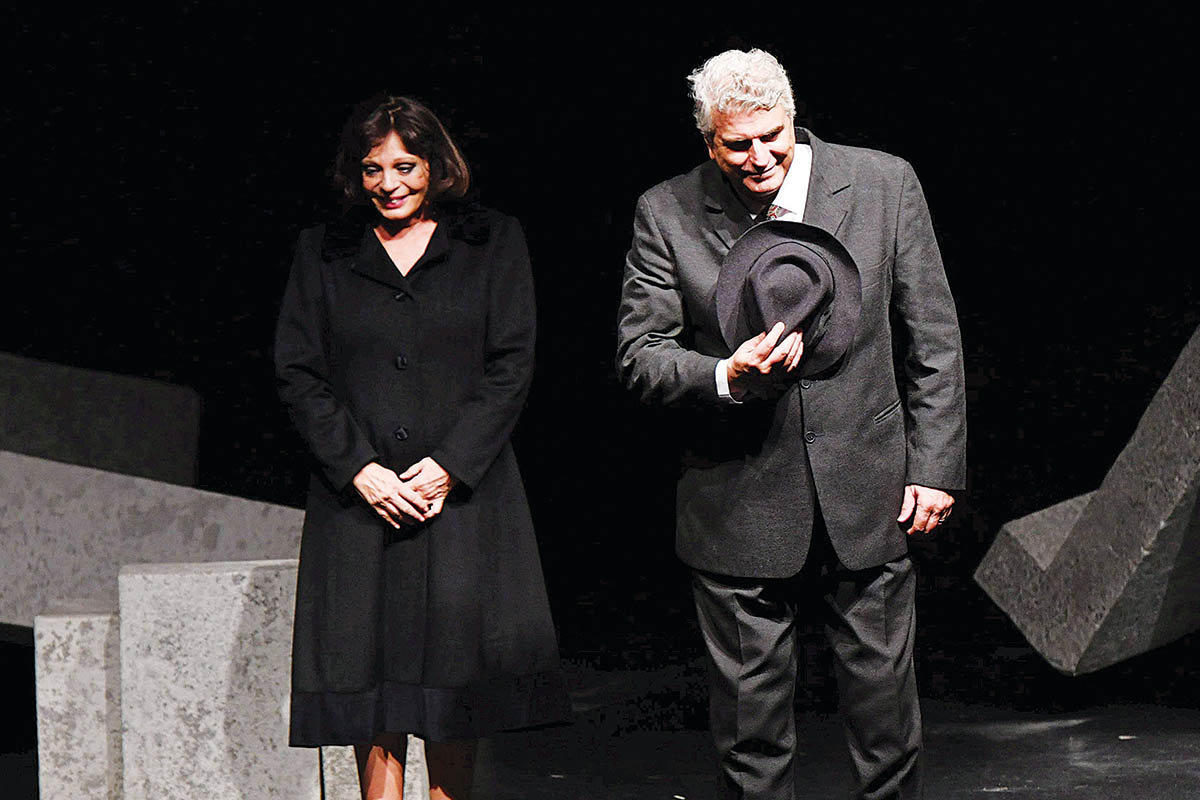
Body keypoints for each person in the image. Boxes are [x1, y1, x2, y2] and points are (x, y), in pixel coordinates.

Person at [615, 49, 966, 799]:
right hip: (737, 498)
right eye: (735, 144)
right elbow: (640, 355)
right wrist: (726, 375)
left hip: (869, 490)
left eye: (771, 136)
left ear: (793, 118)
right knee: (751, 740)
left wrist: (935, 467)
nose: (758, 158)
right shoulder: (667, 210)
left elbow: (932, 336)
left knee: (886, 726)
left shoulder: (883, 183)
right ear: (708, 140)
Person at [275, 94, 569, 800]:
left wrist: (448, 467)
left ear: (435, 165)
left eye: (404, 166)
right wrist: (361, 470)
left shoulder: (492, 241)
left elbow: (511, 363)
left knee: (452, 683)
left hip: (460, 502)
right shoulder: (324, 250)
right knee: (367, 678)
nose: (389, 183)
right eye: (372, 169)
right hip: (360, 507)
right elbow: (299, 371)